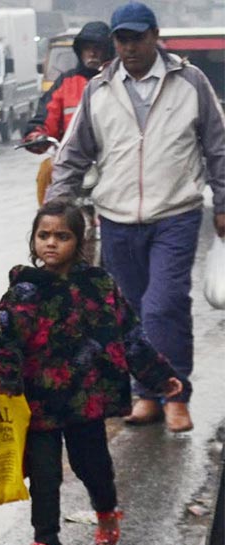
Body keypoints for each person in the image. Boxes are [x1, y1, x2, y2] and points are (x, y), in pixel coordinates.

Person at [46, 2, 225, 432]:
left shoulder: (190, 82)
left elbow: (218, 147)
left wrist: (222, 202)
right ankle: (145, 393)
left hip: (175, 213)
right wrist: (54, 209)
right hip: (118, 217)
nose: (128, 47)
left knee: (164, 306)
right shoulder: (100, 89)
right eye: (121, 39)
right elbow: (72, 155)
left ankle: (175, 393)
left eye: (137, 38)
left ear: (154, 35)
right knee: (128, 312)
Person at [0, 200, 183, 545]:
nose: (51, 244)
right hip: (39, 401)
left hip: (85, 398)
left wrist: (158, 376)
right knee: (43, 476)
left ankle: (106, 512)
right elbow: (4, 339)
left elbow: (129, 335)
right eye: (44, 236)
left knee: (92, 466)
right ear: (33, 240)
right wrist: (1, 381)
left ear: (80, 240)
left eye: (62, 236)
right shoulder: (24, 289)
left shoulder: (99, 285)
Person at [23, 22, 114, 206]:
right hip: (71, 158)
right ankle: (47, 219)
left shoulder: (118, 81)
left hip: (111, 159)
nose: (92, 53)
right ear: (79, 51)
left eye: (98, 48)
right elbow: (46, 117)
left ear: (108, 51)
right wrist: (37, 135)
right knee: (46, 170)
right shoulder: (66, 82)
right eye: (87, 48)